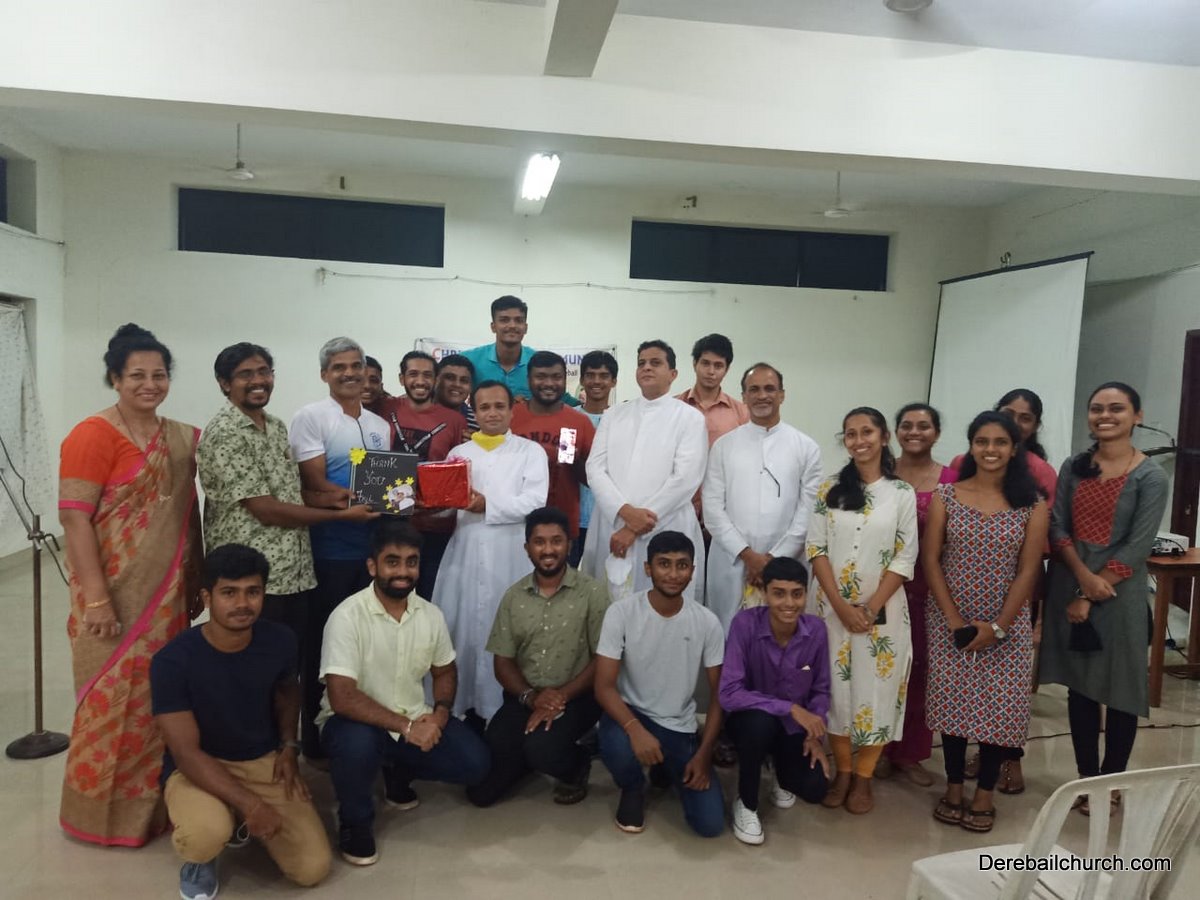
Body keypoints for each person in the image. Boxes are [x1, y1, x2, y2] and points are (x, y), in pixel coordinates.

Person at [58, 323, 203, 847]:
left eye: (159, 375)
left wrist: (198, 579)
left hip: (166, 600)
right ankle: (97, 818)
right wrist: (97, 599)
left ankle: (153, 811)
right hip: (110, 600)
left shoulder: (182, 439)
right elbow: (75, 519)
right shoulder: (91, 435)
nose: (149, 384)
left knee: (157, 701)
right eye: (136, 375)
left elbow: (190, 514)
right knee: (107, 705)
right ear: (115, 379)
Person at [151, 544, 331, 899]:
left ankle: (237, 819)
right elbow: (186, 754)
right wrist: (253, 804)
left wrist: (289, 746)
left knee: (313, 868)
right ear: (207, 597)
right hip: (197, 766)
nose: (242, 604)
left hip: (260, 760)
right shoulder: (172, 661)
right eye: (229, 593)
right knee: (204, 835)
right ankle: (203, 855)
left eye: (253, 592)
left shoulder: (280, 640)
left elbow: (287, 691)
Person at [319, 521, 491, 865]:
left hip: (412, 716)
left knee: (475, 765)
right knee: (357, 745)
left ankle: (397, 769)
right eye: (392, 562)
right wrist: (408, 728)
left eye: (411, 562)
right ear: (372, 566)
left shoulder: (430, 615)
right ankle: (355, 822)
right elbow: (343, 697)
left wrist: (439, 716)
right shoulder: (346, 616)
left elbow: (445, 671)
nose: (403, 572)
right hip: (352, 723)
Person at [1041, 382, 1169, 814]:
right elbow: (1057, 526)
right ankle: (1086, 779)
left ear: (1137, 415)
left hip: (1120, 592)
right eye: (1097, 409)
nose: (1105, 416)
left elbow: (1138, 544)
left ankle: (1112, 782)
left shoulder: (1150, 476)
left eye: (1117, 408)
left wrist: (1093, 592)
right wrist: (1081, 582)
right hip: (1070, 580)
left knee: (1119, 689)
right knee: (1081, 688)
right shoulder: (1074, 466)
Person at [197, 342, 377, 645]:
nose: (258, 380)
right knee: (254, 660)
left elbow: (290, 492)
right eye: (245, 374)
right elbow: (266, 509)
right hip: (250, 581)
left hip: (294, 574)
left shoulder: (276, 427)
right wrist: (343, 516)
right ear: (225, 383)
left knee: (291, 659)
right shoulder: (225, 433)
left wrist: (331, 499)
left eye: (264, 371)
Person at [923, 412, 1048, 834]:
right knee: (953, 704)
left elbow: (1028, 570)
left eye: (999, 442)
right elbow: (931, 560)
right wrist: (955, 621)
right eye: (981, 441)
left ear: (1014, 449)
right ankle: (954, 786)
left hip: (1006, 622)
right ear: (971, 446)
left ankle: (985, 794)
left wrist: (998, 627)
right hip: (949, 617)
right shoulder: (946, 495)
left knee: (1001, 710)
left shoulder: (1032, 504)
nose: (990, 450)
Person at [807, 406, 917, 815]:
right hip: (830, 610)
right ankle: (843, 771)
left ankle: (865, 777)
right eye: (851, 434)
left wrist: (869, 609)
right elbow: (816, 548)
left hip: (882, 614)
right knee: (835, 692)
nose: (859, 440)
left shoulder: (901, 493)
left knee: (877, 691)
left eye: (867, 432)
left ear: (884, 437)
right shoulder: (829, 489)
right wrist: (840, 606)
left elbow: (905, 558)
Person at [466, 507, 610, 808]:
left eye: (556, 541)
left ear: (569, 544)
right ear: (527, 548)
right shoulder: (513, 596)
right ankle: (527, 758)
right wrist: (532, 698)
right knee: (481, 793)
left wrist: (560, 696)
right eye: (539, 542)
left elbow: (603, 659)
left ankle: (577, 764)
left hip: (577, 697)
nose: (548, 550)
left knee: (543, 748)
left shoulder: (592, 593)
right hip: (525, 696)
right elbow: (502, 662)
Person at [288, 337, 390, 759]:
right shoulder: (311, 417)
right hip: (328, 550)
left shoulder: (380, 425)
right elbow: (312, 484)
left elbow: (384, 486)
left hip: (371, 551)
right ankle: (316, 741)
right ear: (324, 374)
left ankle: (362, 731)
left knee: (365, 643)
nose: (349, 373)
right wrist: (353, 503)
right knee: (324, 645)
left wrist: (398, 499)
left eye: (356, 365)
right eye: (339, 367)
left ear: (366, 371)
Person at [954, 388, 1057, 792]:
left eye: (1024, 418)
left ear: (1032, 428)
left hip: (1013, 591)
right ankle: (977, 756)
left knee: (1005, 689)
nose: (1014, 422)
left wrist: (1002, 623)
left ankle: (1009, 757)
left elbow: (1035, 551)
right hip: (961, 590)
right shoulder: (961, 467)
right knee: (963, 684)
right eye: (1007, 413)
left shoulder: (1040, 474)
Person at [431, 381, 550, 722]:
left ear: (512, 411)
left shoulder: (530, 452)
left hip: (511, 552)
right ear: (475, 411)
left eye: (500, 406)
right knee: (465, 624)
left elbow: (535, 501)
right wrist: (427, 501)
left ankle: (506, 705)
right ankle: (463, 703)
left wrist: (488, 505)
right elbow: (446, 506)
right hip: (466, 550)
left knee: (508, 626)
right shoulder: (459, 455)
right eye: (485, 407)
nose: (493, 413)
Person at [595, 531, 725, 837]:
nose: (673, 574)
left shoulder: (707, 622)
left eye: (682, 565)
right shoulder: (621, 612)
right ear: (647, 568)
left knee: (710, 825)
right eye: (664, 564)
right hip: (631, 714)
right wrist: (635, 730)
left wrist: (705, 753)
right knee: (615, 743)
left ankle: (665, 767)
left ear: (692, 571)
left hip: (678, 725)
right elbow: (603, 686)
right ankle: (633, 787)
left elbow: (720, 695)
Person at [582, 340, 708, 602]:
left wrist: (634, 527)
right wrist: (624, 511)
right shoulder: (614, 414)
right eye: (642, 363)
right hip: (612, 521)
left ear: (673, 374)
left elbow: (686, 478)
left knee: (663, 605)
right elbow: (594, 467)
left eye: (655, 363)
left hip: (666, 523)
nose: (646, 367)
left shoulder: (689, 418)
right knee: (608, 605)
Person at [719, 557, 832, 845]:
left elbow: (821, 689)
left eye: (797, 594)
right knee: (760, 724)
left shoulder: (816, 630)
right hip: (749, 723)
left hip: (791, 728)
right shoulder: (744, 624)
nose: (789, 603)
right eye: (779, 593)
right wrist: (790, 708)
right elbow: (729, 692)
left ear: (806, 595)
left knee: (814, 789)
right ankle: (746, 802)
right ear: (764, 593)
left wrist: (815, 735)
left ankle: (777, 770)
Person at [703, 362, 823, 632]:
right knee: (729, 636)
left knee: (784, 638)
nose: (762, 395)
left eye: (769, 389)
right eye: (754, 389)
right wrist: (748, 556)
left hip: (787, 562)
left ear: (782, 394)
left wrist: (772, 559)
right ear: (744, 396)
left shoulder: (806, 447)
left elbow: (809, 511)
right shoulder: (723, 446)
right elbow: (712, 510)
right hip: (732, 561)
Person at [877, 402, 956, 787]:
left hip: (932, 587)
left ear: (936, 433)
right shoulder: (878, 473)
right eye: (906, 425)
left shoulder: (952, 480)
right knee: (882, 669)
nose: (914, 432)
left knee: (922, 671)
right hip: (883, 589)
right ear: (895, 433)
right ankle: (876, 748)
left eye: (923, 426)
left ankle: (909, 753)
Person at [373, 350, 468, 599]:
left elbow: (457, 472)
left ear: (435, 380)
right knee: (385, 593)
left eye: (427, 375)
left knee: (428, 595)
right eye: (413, 374)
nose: (420, 381)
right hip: (387, 520)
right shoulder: (383, 408)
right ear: (401, 378)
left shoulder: (454, 420)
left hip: (433, 526)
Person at [511, 350, 596, 543]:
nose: (549, 383)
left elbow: (595, 479)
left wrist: (575, 463)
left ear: (565, 380)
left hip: (561, 528)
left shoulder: (579, 422)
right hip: (513, 525)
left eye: (556, 377)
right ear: (528, 379)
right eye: (541, 377)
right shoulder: (510, 417)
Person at [575, 350, 618, 565]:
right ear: (582, 380)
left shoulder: (622, 420)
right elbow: (566, 463)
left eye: (604, 376)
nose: (597, 381)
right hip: (575, 517)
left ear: (614, 381)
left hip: (611, 517)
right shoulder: (570, 418)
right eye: (590, 375)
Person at [675, 333, 750, 448]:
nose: (711, 371)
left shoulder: (742, 413)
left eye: (718, 366)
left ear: (726, 370)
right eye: (705, 363)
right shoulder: (674, 407)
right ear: (695, 364)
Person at [462, 295, 536, 401]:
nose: (512, 325)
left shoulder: (539, 363)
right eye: (504, 320)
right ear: (493, 327)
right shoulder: (469, 360)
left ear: (525, 328)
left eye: (519, 320)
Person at [435, 352, 478, 433]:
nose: (457, 384)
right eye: (450, 378)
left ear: (470, 386)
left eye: (464, 380)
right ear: (436, 380)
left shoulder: (478, 421)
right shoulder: (417, 413)